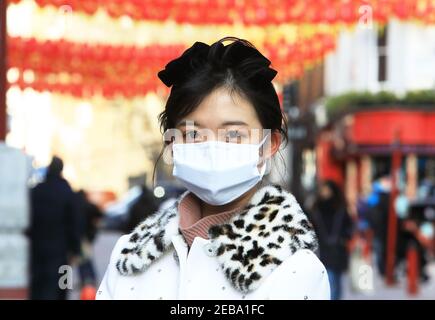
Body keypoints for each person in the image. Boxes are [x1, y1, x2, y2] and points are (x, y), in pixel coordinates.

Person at [97, 37, 330, 300]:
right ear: (172, 142)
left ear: (270, 144)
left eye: (233, 134)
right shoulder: (129, 256)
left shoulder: (296, 272)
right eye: (193, 134)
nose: (212, 148)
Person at [29, 156, 81, 300]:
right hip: (60, 248)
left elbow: (29, 219)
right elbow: (74, 222)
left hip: (37, 247)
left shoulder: (36, 191)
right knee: (62, 284)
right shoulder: (67, 192)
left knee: (38, 284)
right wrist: (75, 248)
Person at [309, 180, 354, 300]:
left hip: (339, 248)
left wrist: (345, 237)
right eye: (323, 190)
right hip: (324, 249)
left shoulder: (340, 208)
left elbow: (349, 226)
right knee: (331, 279)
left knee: (337, 280)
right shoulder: (316, 209)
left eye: (327, 190)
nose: (324, 193)